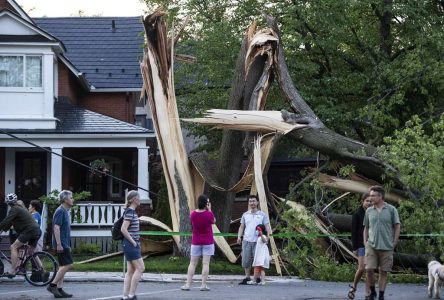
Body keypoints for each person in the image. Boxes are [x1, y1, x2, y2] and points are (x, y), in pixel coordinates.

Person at [364, 186, 401, 300]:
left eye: (373, 195)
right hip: (371, 245)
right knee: (369, 269)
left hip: (387, 246)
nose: (370, 198)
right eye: (370, 195)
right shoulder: (369, 210)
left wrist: (394, 241)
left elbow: (397, 226)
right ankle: (372, 291)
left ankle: (381, 295)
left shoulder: (391, 209)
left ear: (380, 196)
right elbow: (365, 227)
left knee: (383, 272)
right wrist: (365, 242)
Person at [0, 193, 41, 277]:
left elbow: (6, 221)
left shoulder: (14, 209)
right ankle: (42, 271)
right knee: (31, 251)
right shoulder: (20, 208)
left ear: (8, 203)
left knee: (13, 247)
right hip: (36, 231)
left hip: (29, 231)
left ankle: (12, 271)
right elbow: (8, 224)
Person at [181, 194, 216, 291]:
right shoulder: (209, 214)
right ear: (206, 204)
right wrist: (210, 210)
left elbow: (192, 223)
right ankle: (203, 285)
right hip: (208, 241)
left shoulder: (192, 214)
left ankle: (187, 284)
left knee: (192, 263)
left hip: (196, 241)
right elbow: (214, 221)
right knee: (205, 264)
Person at [237, 194, 272, 284]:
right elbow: (241, 227)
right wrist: (239, 237)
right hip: (247, 240)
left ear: (257, 202)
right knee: (246, 260)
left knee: (258, 260)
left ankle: (257, 278)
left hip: (258, 242)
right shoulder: (245, 214)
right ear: (248, 203)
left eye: (253, 201)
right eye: (250, 201)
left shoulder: (262, 215)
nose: (252, 203)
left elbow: (267, 226)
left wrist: (268, 236)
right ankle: (247, 277)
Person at [47, 190, 74, 298]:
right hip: (61, 243)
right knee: (68, 265)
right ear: (65, 199)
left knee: (63, 266)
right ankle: (52, 285)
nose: (73, 199)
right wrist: (59, 244)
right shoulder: (60, 211)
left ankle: (59, 289)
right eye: (71, 197)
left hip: (64, 242)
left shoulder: (65, 211)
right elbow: (56, 227)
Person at [120, 190, 144, 300]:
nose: (140, 199)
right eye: (139, 197)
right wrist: (134, 242)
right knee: (140, 268)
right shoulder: (130, 212)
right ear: (134, 199)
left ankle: (125, 296)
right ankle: (131, 295)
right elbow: (123, 229)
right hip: (131, 244)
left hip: (129, 245)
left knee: (130, 271)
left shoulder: (131, 212)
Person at [348, 193, 371, 299]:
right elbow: (354, 232)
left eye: (371, 201)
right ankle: (354, 287)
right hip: (361, 245)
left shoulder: (374, 213)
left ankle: (367, 293)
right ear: (362, 201)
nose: (369, 203)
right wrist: (354, 248)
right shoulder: (357, 215)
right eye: (367, 201)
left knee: (368, 269)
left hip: (372, 245)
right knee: (361, 268)